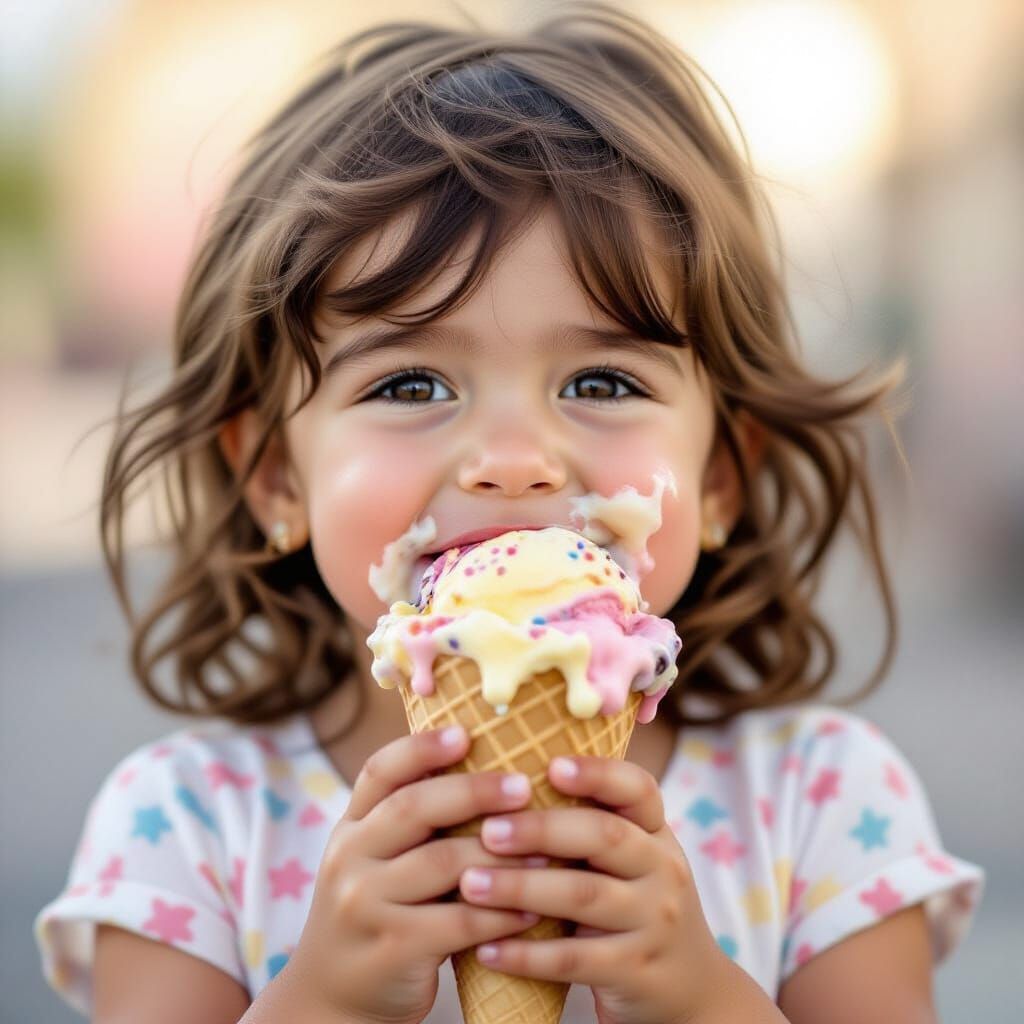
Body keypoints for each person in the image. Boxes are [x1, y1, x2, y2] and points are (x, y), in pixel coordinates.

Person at [34, 4, 984, 1022]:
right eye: (409, 385)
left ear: (718, 478)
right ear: (274, 477)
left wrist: (706, 1002)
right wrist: (321, 1002)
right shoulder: (187, 828)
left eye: (603, 381)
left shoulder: (821, 806)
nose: (514, 462)